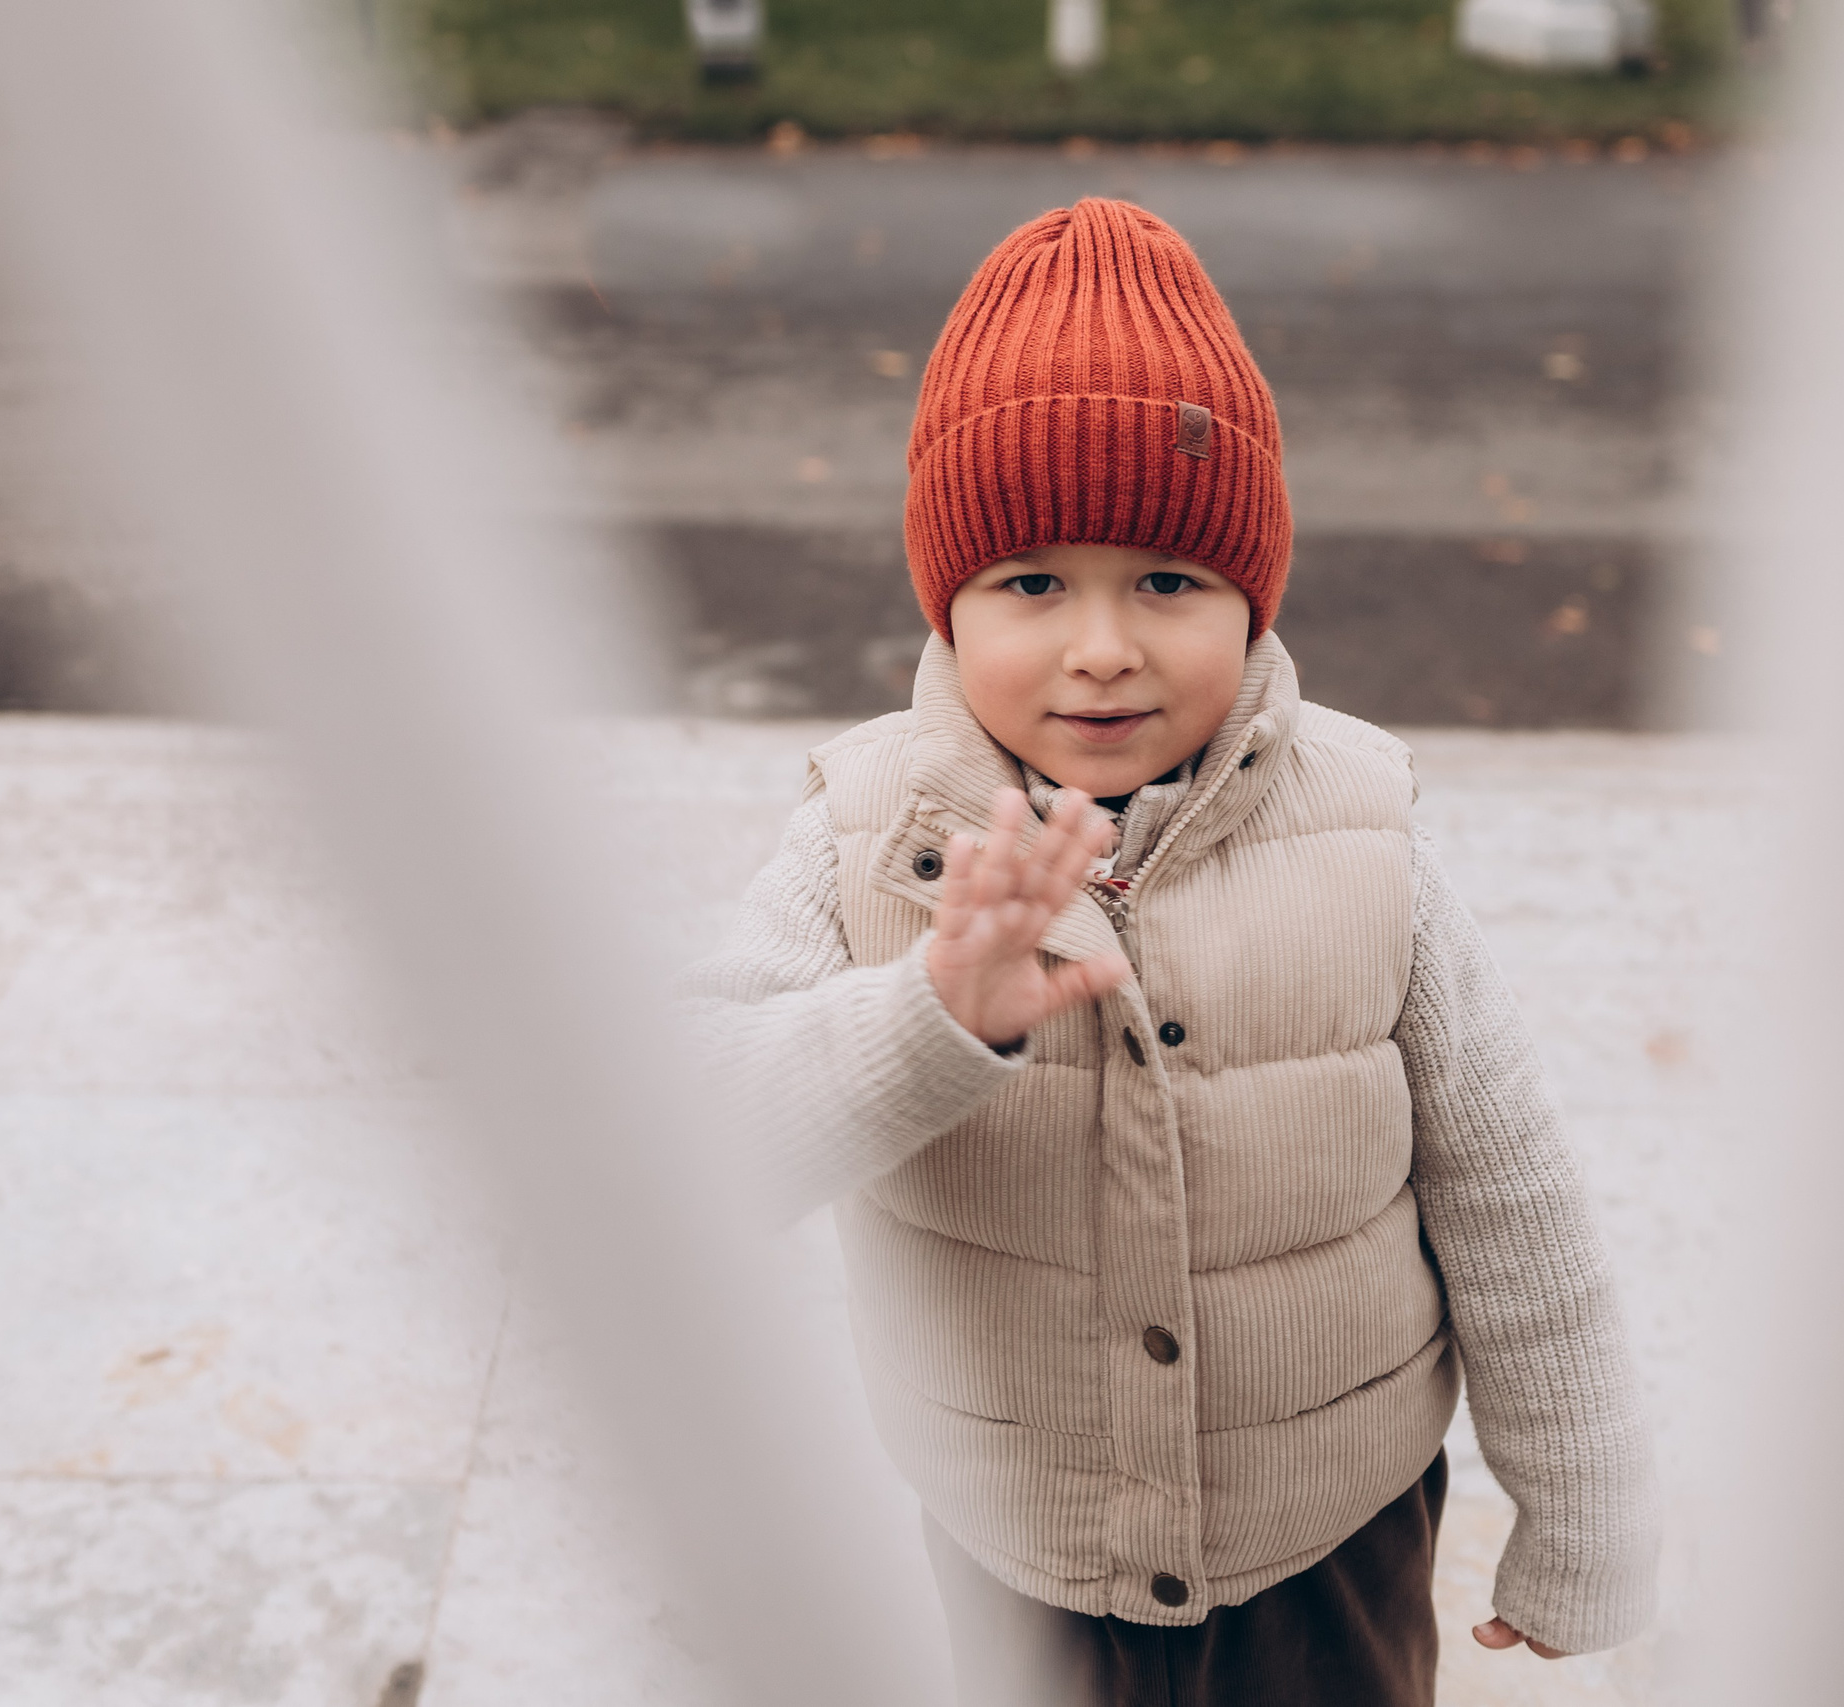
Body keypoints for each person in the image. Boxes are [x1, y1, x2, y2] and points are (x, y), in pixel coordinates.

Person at [683, 197, 1657, 1707]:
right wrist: (930, 1014)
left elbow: (1514, 1202)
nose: (1101, 646)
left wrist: (1585, 1514)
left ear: (1251, 592)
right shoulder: (867, 838)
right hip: (1031, 1547)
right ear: (944, 596)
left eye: (1166, 581)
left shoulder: (1364, 835)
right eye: (1032, 582)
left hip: (1328, 1539)